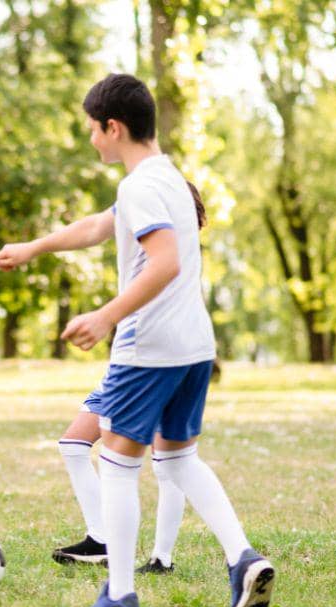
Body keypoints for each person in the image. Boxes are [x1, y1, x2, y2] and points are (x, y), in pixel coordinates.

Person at [0, 73, 273, 607]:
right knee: (179, 458)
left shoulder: (139, 186)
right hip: (192, 346)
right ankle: (243, 558)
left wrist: (106, 315)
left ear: (113, 127)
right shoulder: (164, 177)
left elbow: (163, 261)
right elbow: (102, 226)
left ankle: (119, 597)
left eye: (92, 130)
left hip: (149, 348)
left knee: (117, 467)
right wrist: (35, 247)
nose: (92, 140)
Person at [50, 180, 209, 573]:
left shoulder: (172, 254)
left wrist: (105, 318)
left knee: (167, 461)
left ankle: (162, 557)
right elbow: (95, 227)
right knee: (74, 442)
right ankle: (101, 537)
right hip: (127, 360)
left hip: (156, 360)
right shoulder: (141, 235)